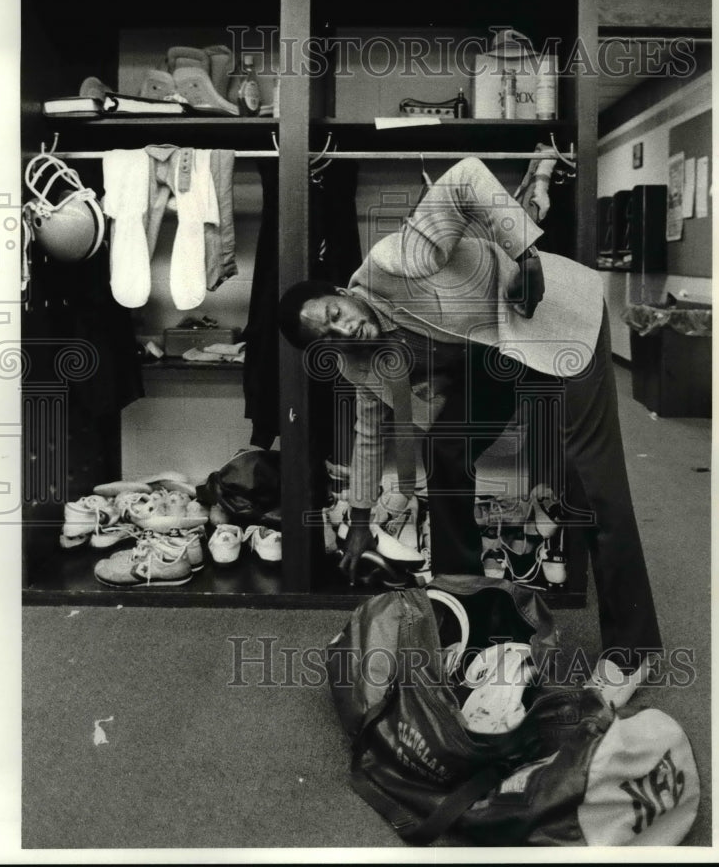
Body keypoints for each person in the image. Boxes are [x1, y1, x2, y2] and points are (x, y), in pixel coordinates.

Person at [278, 154, 662, 694]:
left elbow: (464, 177)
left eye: (336, 315)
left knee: (589, 477)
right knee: (444, 454)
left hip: (550, 316)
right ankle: (469, 612)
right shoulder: (355, 359)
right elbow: (370, 431)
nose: (344, 332)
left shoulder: (395, 259)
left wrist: (525, 253)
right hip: (493, 357)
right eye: (328, 338)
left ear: (341, 292)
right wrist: (360, 521)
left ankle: (633, 650)